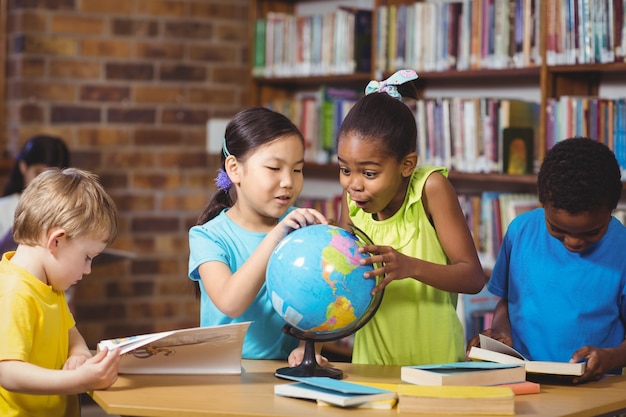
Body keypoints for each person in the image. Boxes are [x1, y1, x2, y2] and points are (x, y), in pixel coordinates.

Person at [336, 69, 485, 366]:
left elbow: (473, 277)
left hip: (435, 365)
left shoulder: (431, 189)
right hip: (370, 365)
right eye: (344, 170)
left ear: (407, 165)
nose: (354, 184)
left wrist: (409, 266)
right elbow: (342, 279)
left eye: (369, 173)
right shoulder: (354, 200)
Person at [467, 137, 626, 384]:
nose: (573, 242)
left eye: (591, 232)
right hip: (524, 381)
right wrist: (501, 332)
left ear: (612, 209)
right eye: (557, 230)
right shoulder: (520, 232)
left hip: (596, 388)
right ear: (543, 203)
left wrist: (610, 357)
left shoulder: (622, 248)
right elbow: (507, 302)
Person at [188, 107, 328, 366]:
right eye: (274, 168)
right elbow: (230, 302)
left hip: (283, 371)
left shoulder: (303, 227)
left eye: (297, 170)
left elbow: (317, 299)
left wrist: (307, 346)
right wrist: (276, 236)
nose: (288, 181)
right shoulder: (207, 236)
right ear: (234, 169)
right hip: (221, 371)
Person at [0, 167, 121, 416]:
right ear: (56, 241)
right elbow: (8, 371)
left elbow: (70, 332)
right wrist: (79, 381)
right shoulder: (14, 291)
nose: (88, 270)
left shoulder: (49, 285)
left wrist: (77, 354)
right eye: (87, 257)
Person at [0, 134, 70, 251]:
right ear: (23, 167)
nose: (43, 182)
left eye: (51, 176)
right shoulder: (3, 209)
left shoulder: (65, 210)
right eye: (38, 173)